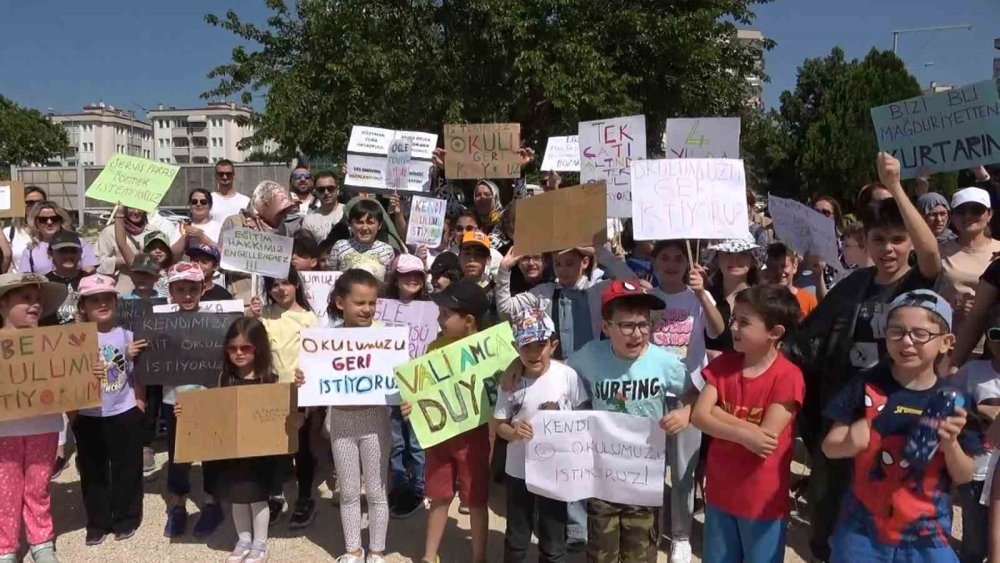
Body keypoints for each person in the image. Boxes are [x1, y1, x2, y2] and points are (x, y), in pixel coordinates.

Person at [787, 152, 942, 561]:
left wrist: (894, 186)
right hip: (847, 409)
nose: (888, 248)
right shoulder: (851, 286)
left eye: (897, 239)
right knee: (833, 503)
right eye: (878, 239)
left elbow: (931, 257)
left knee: (891, 508)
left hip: (902, 414)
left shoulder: (916, 284)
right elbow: (806, 342)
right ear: (866, 243)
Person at [821, 290, 980, 561]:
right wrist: (850, 439)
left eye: (920, 334)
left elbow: (965, 476)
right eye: (896, 332)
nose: (906, 342)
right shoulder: (866, 385)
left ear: (946, 342)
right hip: (863, 532)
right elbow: (829, 448)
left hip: (927, 536)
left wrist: (951, 444)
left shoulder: (955, 401)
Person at [567, 279, 686, 562]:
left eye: (644, 324)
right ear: (606, 327)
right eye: (627, 326)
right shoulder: (589, 356)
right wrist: (516, 366)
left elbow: (695, 391)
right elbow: (557, 373)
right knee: (601, 552)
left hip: (643, 478)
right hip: (602, 477)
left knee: (640, 553)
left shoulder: (663, 361)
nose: (637, 334)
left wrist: (686, 412)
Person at [692, 284, 805, 563]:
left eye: (744, 322)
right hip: (719, 493)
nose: (733, 328)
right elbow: (698, 416)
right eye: (734, 319)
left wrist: (717, 415)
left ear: (775, 333)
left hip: (762, 500)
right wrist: (744, 432)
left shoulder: (788, 377)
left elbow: (765, 440)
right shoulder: (722, 366)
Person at [400, 279, 493, 563]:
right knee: (438, 495)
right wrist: (411, 404)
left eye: (445, 314)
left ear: (469, 320)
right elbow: (423, 392)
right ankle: (429, 556)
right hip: (439, 437)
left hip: (473, 437)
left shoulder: (491, 351)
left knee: (475, 500)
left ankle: (479, 557)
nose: (439, 319)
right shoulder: (433, 347)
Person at [178, 317, 277, 563]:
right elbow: (212, 412)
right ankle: (243, 539)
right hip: (232, 452)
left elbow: (280, 415)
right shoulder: (223, 379)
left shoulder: (270, 380)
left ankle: (260, 544)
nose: (239, 353)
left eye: (246, 348)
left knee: (257, 499)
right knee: (237, 498)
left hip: (260, 454)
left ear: (258, 348)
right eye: (233, 349)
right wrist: (187, 413)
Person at [493, 309, 586, 563]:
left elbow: (583, 415)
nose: (534, 353)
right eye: (526, 346)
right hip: (518, 470)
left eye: (541, 345)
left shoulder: (566, 375)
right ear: (516, 347)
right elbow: (499, 423)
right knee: (517, 533)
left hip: (554, 471)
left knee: (554, 532)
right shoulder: (510, 382)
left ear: (553, 345)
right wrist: (514, 432)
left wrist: (562, 415)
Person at [0, 272, 75, 563]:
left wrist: (87, 377)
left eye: (38, 301)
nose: (34, 306)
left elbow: (71, 382)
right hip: (3, 430)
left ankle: (41, 541)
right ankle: (6, 546)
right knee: (5, 490)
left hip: (43, 426)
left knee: (37, 486)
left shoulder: (52, 344)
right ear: (3, 304)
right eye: (26, 299)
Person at [319, 270, 392, 562]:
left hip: (375, 422)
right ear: (340, 302)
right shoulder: (326, 338)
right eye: (360, 303)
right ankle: (352, 549)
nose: (367, 309)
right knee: (348, 491)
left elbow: (400, 377)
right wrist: (305, 377)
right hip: (341, 423)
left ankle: (376, 551)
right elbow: (317, 375)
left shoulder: (384, 334)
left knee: (376, 490)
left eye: (372, 303)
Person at [72, 274, 147, 546]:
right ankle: (98, 522)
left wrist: (140, 403)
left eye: (107, 298)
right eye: (95, 300)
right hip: (88, 415)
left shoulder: (128, 334)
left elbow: (141, 373)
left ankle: (127, 518)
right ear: (83, 306)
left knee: (128, 466)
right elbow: (65, 378)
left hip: (124, 410)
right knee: (93, 471)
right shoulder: (73, 341)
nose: (102, 303)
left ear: (116, 302)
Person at [247, 268, 319, 529]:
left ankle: (305, 497)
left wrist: (309, 403)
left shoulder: (312, 319)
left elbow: (318, 361)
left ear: (296, 285)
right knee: (273, 450)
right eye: (274, 285)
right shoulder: (264, 316)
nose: (280, 289)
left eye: (286, 283)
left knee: (302, 450)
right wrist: (251, 316)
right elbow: (250, 344)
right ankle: (275, 496)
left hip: (301, 394)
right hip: (270, 393)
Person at [160, 262, 225, 538]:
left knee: (211, 451)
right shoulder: (160, 321)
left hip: (208, 397)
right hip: (174, 399)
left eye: (192, 289)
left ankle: (213, 501)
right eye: (181, 289)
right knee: (178, 454)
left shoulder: (217, 319)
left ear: (202, 290)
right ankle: (177, 505)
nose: (187, 295)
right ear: (171, 292)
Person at [951, 305, 1000, 563]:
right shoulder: (973, 372)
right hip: (978, 469)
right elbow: (946, 398)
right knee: (974, 542)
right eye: (996, 333)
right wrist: (973, 412)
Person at [383, 254, 430, 519]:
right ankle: (399, 486)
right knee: (397, 441)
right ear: (396, 277)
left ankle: (418, 488)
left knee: (417, 441)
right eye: (405, 275)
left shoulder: (431, 310)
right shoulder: (381, 309)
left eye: (418, 275)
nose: (412, 279)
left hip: (419, 386)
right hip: (389, 387)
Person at [936, 187, 1000, 347]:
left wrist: (984, 307)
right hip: (948, 343)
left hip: (991, 346)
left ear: (990, 214)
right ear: (952, 216)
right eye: (961, 210)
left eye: (976, 210)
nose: (968, 216)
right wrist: (952, 305)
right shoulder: (939, 251)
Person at [222, 180, 301, 301]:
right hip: (244, 295)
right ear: (266, 205)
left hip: (274, 298)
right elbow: (222, 262)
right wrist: (260, 266)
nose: (284, 216)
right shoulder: (234, 222)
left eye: (285, 212)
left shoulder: (282, 229)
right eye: (281, 212)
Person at [705, 238, 760, 355]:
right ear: (717, 258)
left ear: (752, 259)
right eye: (728, 253)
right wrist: (706, 354)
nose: (735, 259)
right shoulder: (705, 296)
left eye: (743, 253)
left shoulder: (762, 300)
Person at [17, 200, 99, 275]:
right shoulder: (30, 250)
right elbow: (25, 278)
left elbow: (90, 270)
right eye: (43, 219)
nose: (49, 222)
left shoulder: (79, 243)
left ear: (61, 221)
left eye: (54, 219)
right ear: (35, 223)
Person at [327, 198, 396, 278]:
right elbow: (330, 277)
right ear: (350, 224)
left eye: (370, 223)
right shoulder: (339, 246)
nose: (364, 228)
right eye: (359, 222)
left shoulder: (387, 250)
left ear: (379, 225)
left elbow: (388, 281)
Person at [40, 229, 86, 326]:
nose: (68, 255)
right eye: (62, 251)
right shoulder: (43, 283)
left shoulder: (89, 280)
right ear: (50, 253)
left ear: (80, 252)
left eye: (73, 251)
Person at [763, 243, 820, 318]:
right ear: (767, 270)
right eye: (773, 267)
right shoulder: (761, 300)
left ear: (794, 266)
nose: (779, 272)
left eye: (783, 266)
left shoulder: (809, 300)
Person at [4, 185, 46, 272]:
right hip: (20, 282)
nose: (35, 206)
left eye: (40, 202)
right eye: (30, 203)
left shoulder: (52, 231)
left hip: (48, 283)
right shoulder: (9, 232)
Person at [301, 171, 344, 242]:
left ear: (338, 190)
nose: (326, 192)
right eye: (321, 189)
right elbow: (306, 248)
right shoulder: (309, 220)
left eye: (330, 188)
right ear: (315, 192)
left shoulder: (348, 212)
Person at [209, 159, 250, 223]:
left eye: (228, 174)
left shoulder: (245, 201)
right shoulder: (209, 199)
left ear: (233, 175)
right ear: (216, 175)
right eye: (221, 174)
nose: (225, 177)